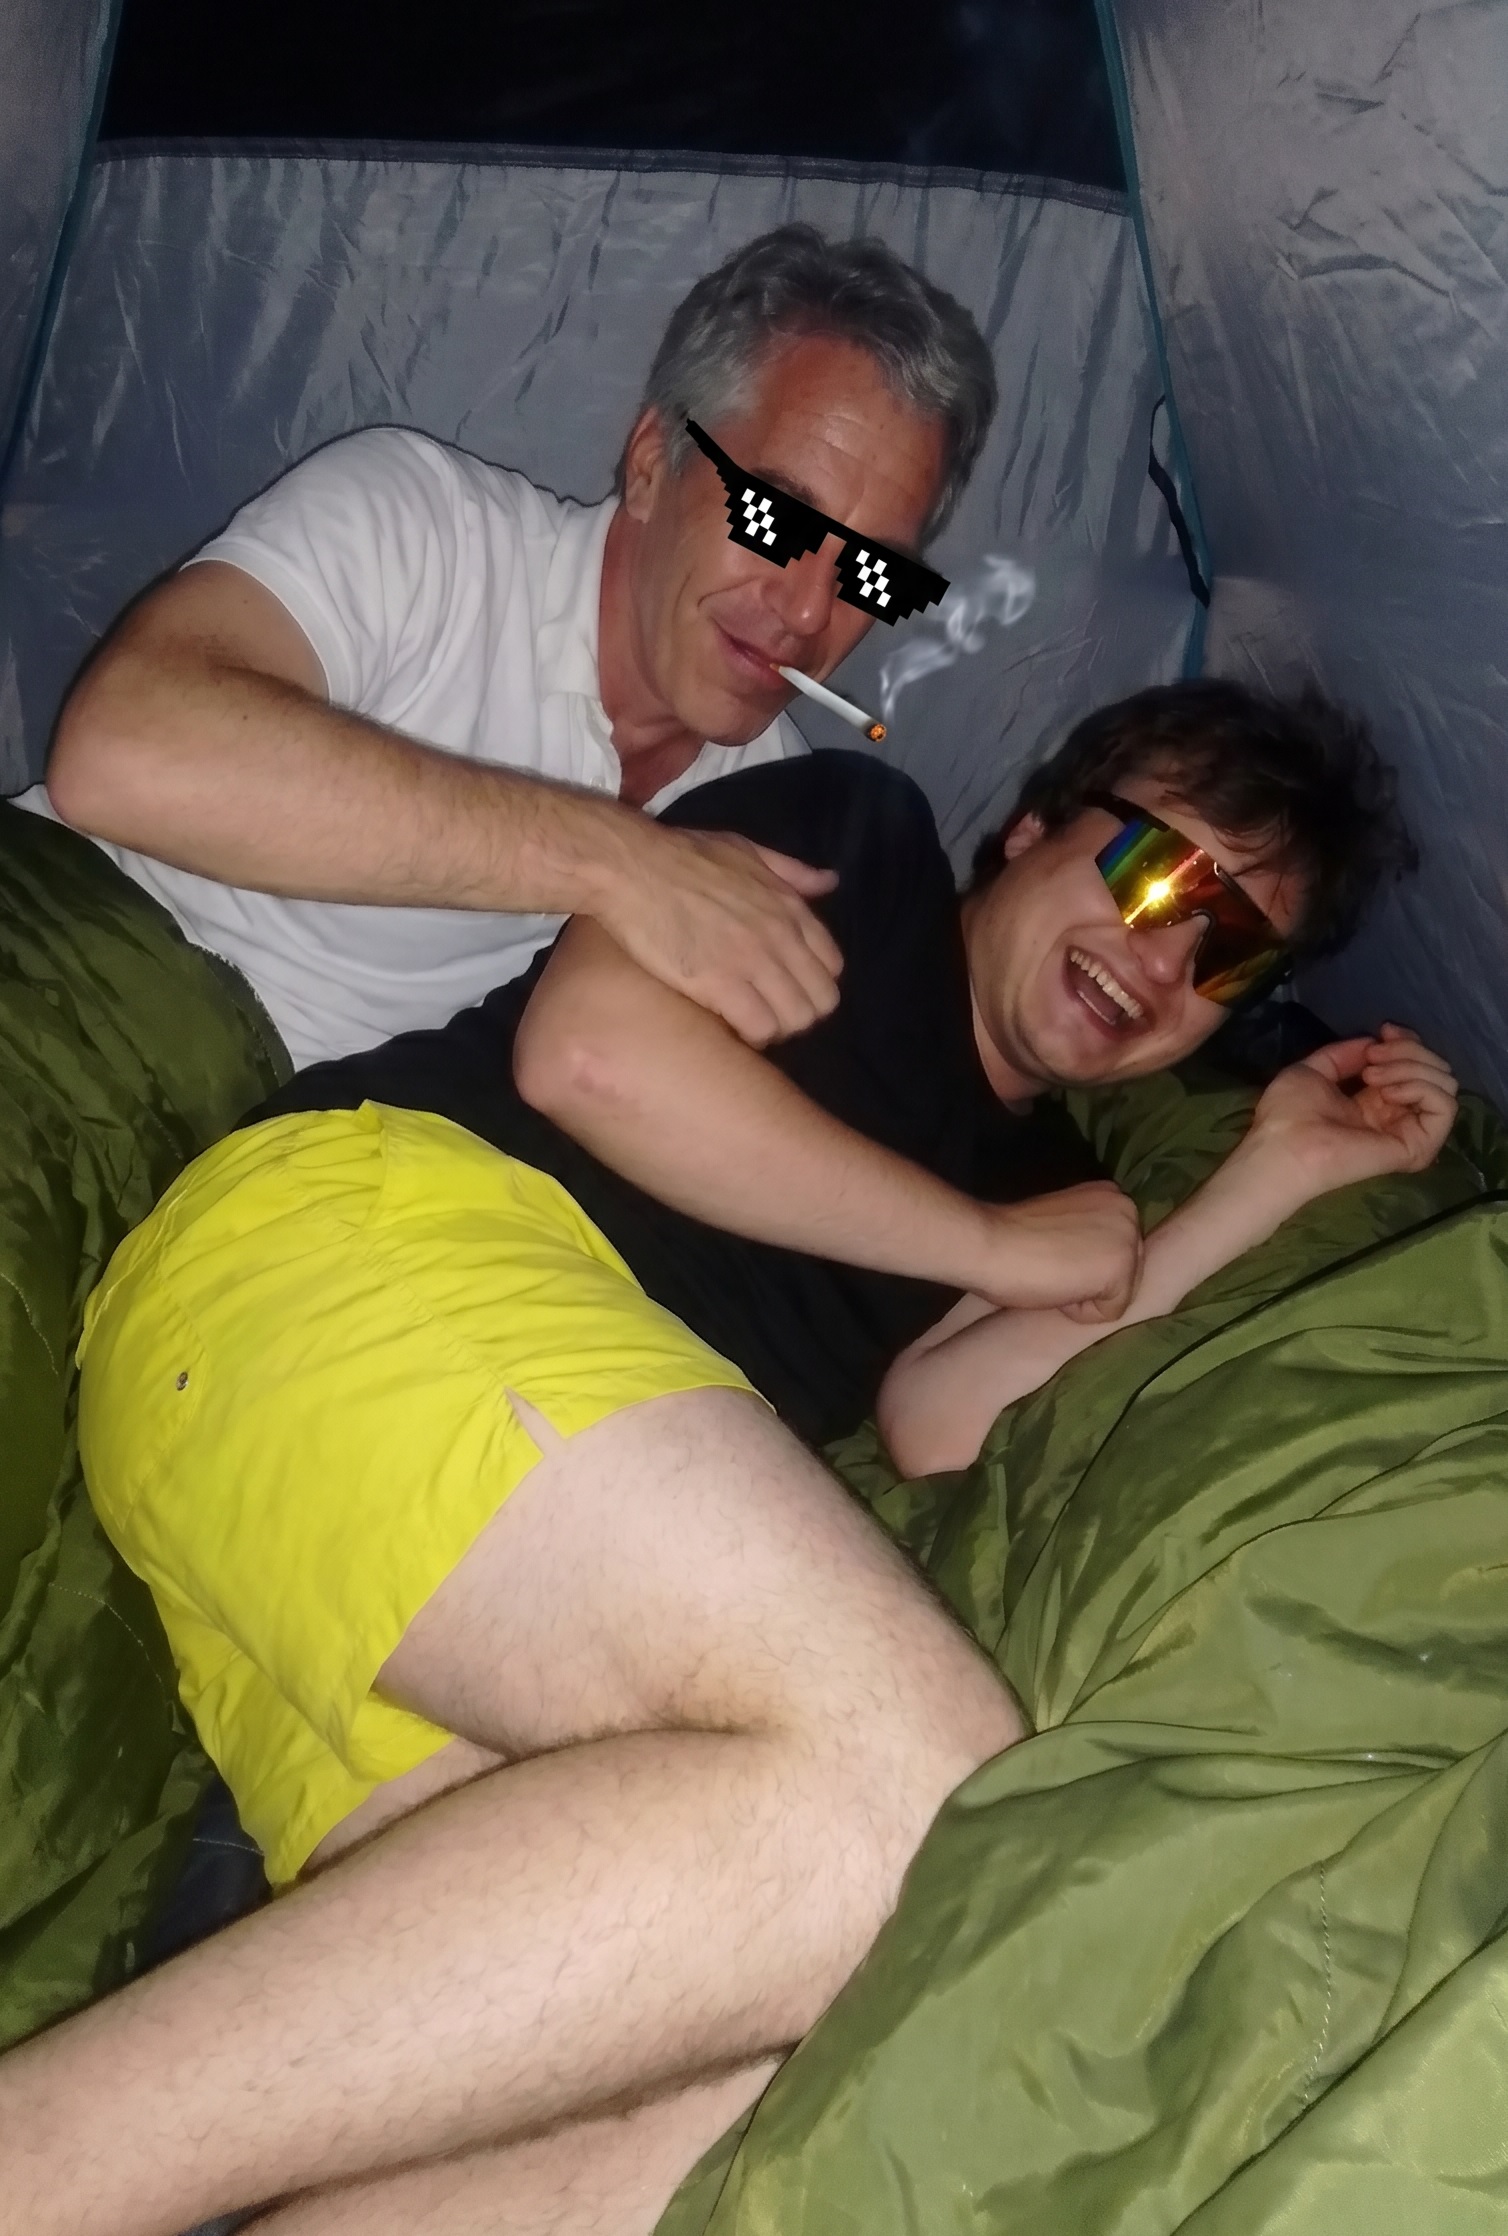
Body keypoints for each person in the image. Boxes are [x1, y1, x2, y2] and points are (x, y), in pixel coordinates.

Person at [0, 680, 1454, 2236]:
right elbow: (593, 1056)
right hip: (356, 1255)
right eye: (1158, 875)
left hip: (383, 1545)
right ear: (1033, 827)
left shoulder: (1047, 1177)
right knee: (910, 1802)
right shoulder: (859, 847)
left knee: (735, 2082)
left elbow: (942, 1418)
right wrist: (988, 1245)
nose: (1164, 958)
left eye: (1229, 953)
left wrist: (1268, 1173)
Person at [21, 222, 996, 1072]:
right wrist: (616, 860)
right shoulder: (426, 527)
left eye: (871, 571)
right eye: (776, 517)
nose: (809, 609)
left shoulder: (774, 811)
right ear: (651, 463)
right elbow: (122, 750)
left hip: (280, 1170)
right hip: (69, 973)